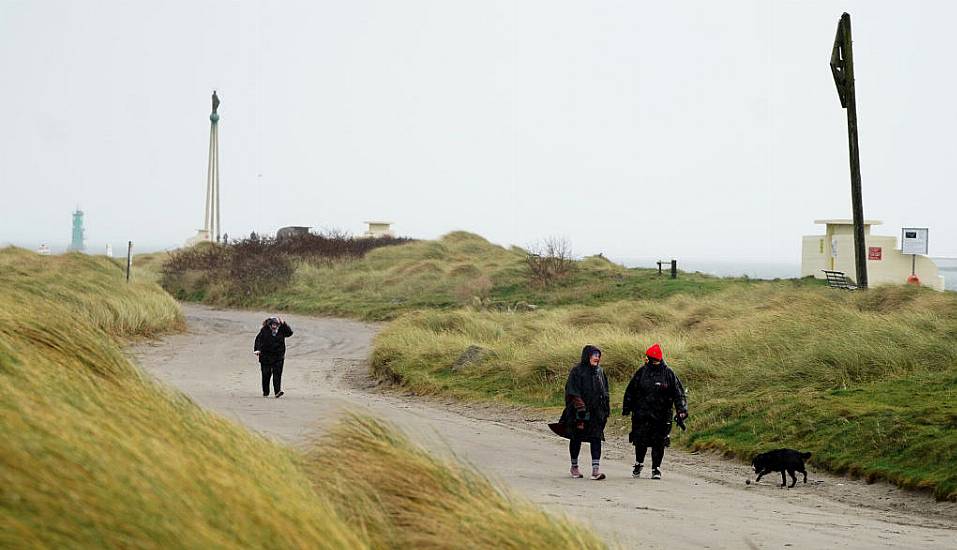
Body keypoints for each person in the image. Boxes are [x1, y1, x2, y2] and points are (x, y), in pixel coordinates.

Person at [622, 343, 688, 480]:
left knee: (659, 442)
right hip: (642, 414)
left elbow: (678, 393)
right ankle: (639, 463)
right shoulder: (642, 372)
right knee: (640, 440)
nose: (646, 360)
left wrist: (681, 409)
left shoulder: (668, 373)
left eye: (648, 357)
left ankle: (656, 468)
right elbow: (631, 390)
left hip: (662, 415)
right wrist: (627, 407)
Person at [559, 345, 610, 480]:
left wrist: (606, 409)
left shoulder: (600, 371)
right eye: (594, 355)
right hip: (579, 413)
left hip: (596, 412)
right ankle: (574, 467)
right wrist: (580, 406)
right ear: (587, 356)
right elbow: (571, 390)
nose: (597, 358)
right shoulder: (577, 371)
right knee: (576, 438)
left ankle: (595, 470)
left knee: (596, 438)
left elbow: (605, 391)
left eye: (598, 355)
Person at [254, 316, 293, 398]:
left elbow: (290, 333)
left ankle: (277, 392)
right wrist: (257, 349)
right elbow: (258, 340)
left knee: (277, 374)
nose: (274, 326)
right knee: (266, 374)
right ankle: (266, 391)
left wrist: (284, 323)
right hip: (265, 356)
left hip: (278, 356)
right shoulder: (264, 330)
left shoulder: (282, 330)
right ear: (270, 324)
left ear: (278, 325)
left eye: (276, 324)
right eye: (273, 324)